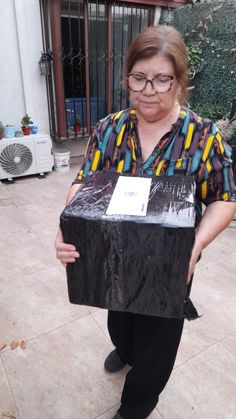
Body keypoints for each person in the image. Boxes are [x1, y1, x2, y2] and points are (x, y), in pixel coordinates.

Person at [55, 25, 236, 419]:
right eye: (139, 78)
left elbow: (225, 199)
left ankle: (135, 407)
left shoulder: (203, 136)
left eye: (161, 79)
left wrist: (196, 244)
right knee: (120, 319)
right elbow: (83, 182)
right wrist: (65, 227)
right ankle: (124, 349)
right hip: (113, 255)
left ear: (179, 82)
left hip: (171, 261)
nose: (148, 90)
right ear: (127, 78)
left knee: (157, 344)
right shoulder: (109, 129)